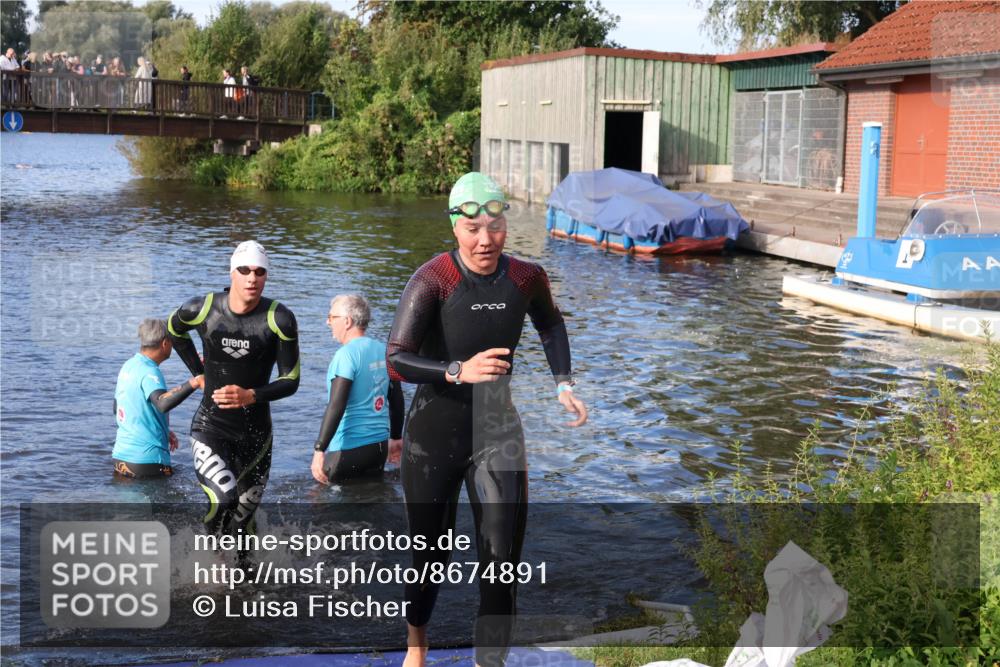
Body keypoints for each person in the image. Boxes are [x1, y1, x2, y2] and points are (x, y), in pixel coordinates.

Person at [386, 172, 588, 667]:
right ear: (455, 226)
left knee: (501, 560)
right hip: (432, 437)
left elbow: (551, 321)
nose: (485, 240)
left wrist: (563, 381)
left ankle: (488, 661)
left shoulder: (525, 277)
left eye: (495, 226)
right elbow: (397, 358)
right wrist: (458, 370)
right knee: (428, 559)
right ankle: (417, 646)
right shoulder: (433, 278)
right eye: (473, 227)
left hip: (497, 430)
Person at [168, 241, 300, 543]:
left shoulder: (279, 319)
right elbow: (173, 330)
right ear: (232, 273)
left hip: (256, 433)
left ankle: (243, 574)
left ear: (266, 276)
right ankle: (212, 562)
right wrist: (198, 373)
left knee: (243, 518)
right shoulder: (201, 309)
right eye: (245, 270)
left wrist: (251, 395)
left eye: (259, 272)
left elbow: (291, 379)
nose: (252, 278)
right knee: (224, 500)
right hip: (211, 426)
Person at [311, 294, 404, 484]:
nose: (328, 323)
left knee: (322, 504)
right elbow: (397, 399)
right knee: (370, 502)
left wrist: (319, 449)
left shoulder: (346, 355)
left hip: (347, 450)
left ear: (347, 321)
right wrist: (395, 438)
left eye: (331, 317)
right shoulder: (384, 351)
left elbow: (337, 405)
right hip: (378, 449)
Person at [112, 318, 204, 479]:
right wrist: (195, 382)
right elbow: (162, 403)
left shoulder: (128, 365)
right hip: (148, 461)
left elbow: (118, 407)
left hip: (121, 458)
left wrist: (161, 428)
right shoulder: (150, 371)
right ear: (165, 343)